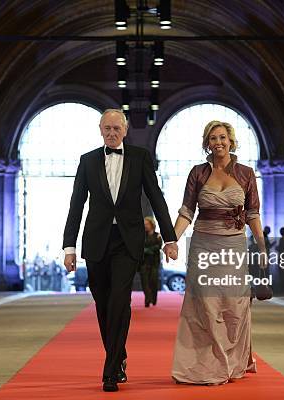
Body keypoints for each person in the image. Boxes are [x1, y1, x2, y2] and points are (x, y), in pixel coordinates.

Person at [62, 109, 178, 392]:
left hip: (128, 240)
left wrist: (170, 238)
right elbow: (76, 205)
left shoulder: (139, 157)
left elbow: (156, 198)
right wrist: (69, 246)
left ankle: (111, 370)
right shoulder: (88, 161)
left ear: (125, 130)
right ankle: (119, 355)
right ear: (100, 130)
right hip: (97, 240)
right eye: (107, 128)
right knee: (103, 304)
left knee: (119, 301)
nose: (112, 133)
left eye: (117, 128)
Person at [170, 120, 268, 385]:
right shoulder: (198, 173)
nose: (218, 142)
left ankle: (232, 362)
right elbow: (186, 212)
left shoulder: (247, 174)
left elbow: (253, 214)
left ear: (231, 141)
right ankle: (206, 364)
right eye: (213, 138)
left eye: (222, 137)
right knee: (205, 305)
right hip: (203, 245)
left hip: (234, 247)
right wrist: (171, 240)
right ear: (207, 143)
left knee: (234, 306)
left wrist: (262, 248)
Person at [140, 216, 163, 307]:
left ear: (152, 225)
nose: (145, 226)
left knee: (153, 281)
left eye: (147, 224)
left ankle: (153, 299)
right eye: (144, 224)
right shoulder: (141, 236)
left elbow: (158, 246)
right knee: (144, 281)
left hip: (154, 262)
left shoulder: (158, 235)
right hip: (143, 262)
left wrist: (148, 250)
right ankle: (147, 299)